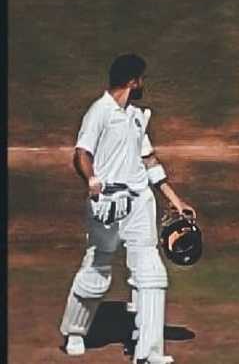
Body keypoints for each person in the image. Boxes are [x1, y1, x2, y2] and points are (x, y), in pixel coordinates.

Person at [59, 54, 195, 364]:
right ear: (133, 81)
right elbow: (81, 153)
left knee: (151, 275)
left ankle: (148, 353)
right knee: (97, 270)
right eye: (141, 78)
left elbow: (149, 161)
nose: (143, 84)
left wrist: (176, 201)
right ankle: (75, 332)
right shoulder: (100, 111)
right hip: (107, 203)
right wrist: (92, 180)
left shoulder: (135, 116)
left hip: (139, 203)